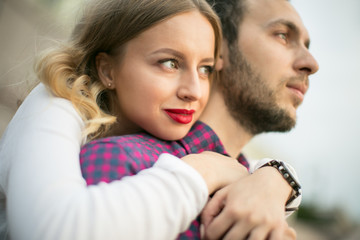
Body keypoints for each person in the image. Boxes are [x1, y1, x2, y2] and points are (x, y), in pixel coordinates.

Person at [0, 0, 248, 240]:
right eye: (170, 63)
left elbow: (257, 169)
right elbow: (50, 231)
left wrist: (277, 179)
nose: (194, 90)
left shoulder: (156, 119)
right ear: (107, 70)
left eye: (205, 69)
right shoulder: (54, 104)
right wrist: (203, 171)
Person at [80, 0, 319, 239]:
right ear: (219, 46)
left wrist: (278, 177)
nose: (312, 63)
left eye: (203, 68)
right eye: (283, 35)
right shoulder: (122, 161)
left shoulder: (260, 188)